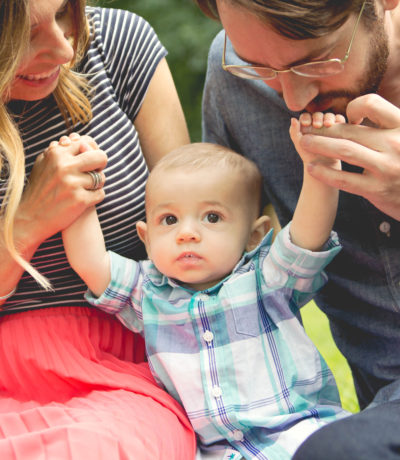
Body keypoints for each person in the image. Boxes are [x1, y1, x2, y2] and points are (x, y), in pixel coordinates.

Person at [62, 112, 349, 460]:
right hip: (219, 453)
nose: (187, 233)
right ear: (147, 239)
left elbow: (308, 235)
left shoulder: (267, 279)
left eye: (212, 217)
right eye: (169, 220)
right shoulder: (148, 293)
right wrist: (77, 188)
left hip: (303, 437)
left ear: (254, 236)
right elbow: (91, 262)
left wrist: (320, 169)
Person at [193, 0, 400, 458]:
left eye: (316, 60)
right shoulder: (234, 79)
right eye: (260, 67)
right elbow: (220, 275)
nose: (292, 99)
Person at [0, 0, 196, 458]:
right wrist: (28, 221)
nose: (64, 50)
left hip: (128, 365)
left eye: (65, 12)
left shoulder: (118, 45)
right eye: (23, 33)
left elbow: (194, 232)